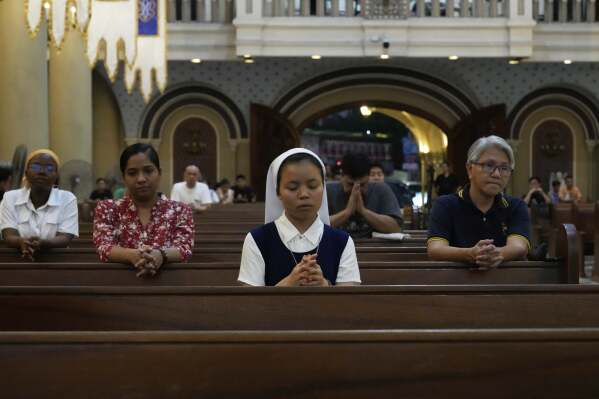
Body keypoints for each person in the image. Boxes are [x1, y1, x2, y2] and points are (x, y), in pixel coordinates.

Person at [238, 148, 361, 287]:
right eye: (292, 187)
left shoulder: (342, 241)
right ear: (278, 192)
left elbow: (349, 302)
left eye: (313, 186)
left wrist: (324, 285)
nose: (304, 194)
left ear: (323, 188)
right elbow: (251, 304)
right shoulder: (257, 240)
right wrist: (288, 283)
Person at [427, 135, 530, 269]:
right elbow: (435, 249)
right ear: (470, 169)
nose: (497, 174)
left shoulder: (516, 206)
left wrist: (494, 255)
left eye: (504, 168)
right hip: (454, 284)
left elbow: (519, 247)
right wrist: (470, 253)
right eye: (489, 165)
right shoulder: (445, 204)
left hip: (504, 283)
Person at [93, 143, 194, 277]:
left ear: (159, 173)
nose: (141, 179)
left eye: (148, 171)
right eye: (132, 173)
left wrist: (161, 255)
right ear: (123, 177)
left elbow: (184, 248)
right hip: (118, 285)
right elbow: (104, 247)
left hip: (169, 286)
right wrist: (133, 255)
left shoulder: (181, 210)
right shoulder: (107, 209)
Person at [0, 149, 78, 260]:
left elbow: (65, 237)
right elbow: (8, 234)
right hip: (17, 259)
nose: (42, 172)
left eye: (49, 168)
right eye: (35, 167)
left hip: (56, 261)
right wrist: (20, 241)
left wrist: (44, 243)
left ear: (56, 176)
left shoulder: (67, 198)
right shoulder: (10, 197)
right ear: (26, 172)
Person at [327, 153, 402, 239]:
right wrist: (347, 212)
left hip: (374, 249)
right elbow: (314, 227)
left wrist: (363, 211)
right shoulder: (328, 191)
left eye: (362, 185)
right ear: (342, 176)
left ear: (368, 177)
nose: (356, 191)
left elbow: (395, 228)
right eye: (350, 184)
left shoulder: (381, 189)